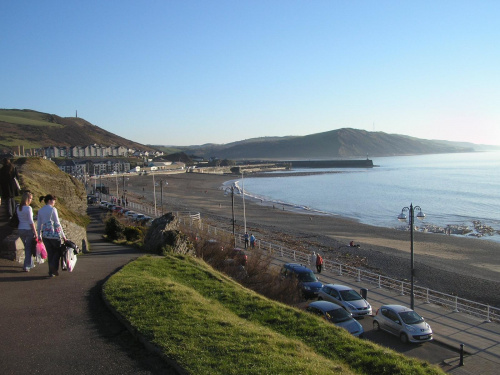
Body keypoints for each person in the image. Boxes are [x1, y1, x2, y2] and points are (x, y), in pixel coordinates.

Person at [37, 194, 67, 277]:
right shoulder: (53, 209)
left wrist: (39, 235)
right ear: (50, 200)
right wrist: (63, 236)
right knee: (57, 252)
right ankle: (54, 268)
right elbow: (57, 223)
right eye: (54, 201)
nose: (54, 203)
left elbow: (39, 224)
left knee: (50, 253)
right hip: (54, 235)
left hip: (45, 235)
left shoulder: (40, 210)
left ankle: (51, 271)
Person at [17, 191, 37, 272]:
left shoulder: (18, 207)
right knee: (28, 248)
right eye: (31, 199)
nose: (31, 200)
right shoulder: (28, 208)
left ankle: (30, 263)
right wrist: (35, 232)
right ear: (27, 199)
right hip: (28, 230)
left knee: (27, 247)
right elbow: (31, 222)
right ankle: (26, 266)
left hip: (20, 229)